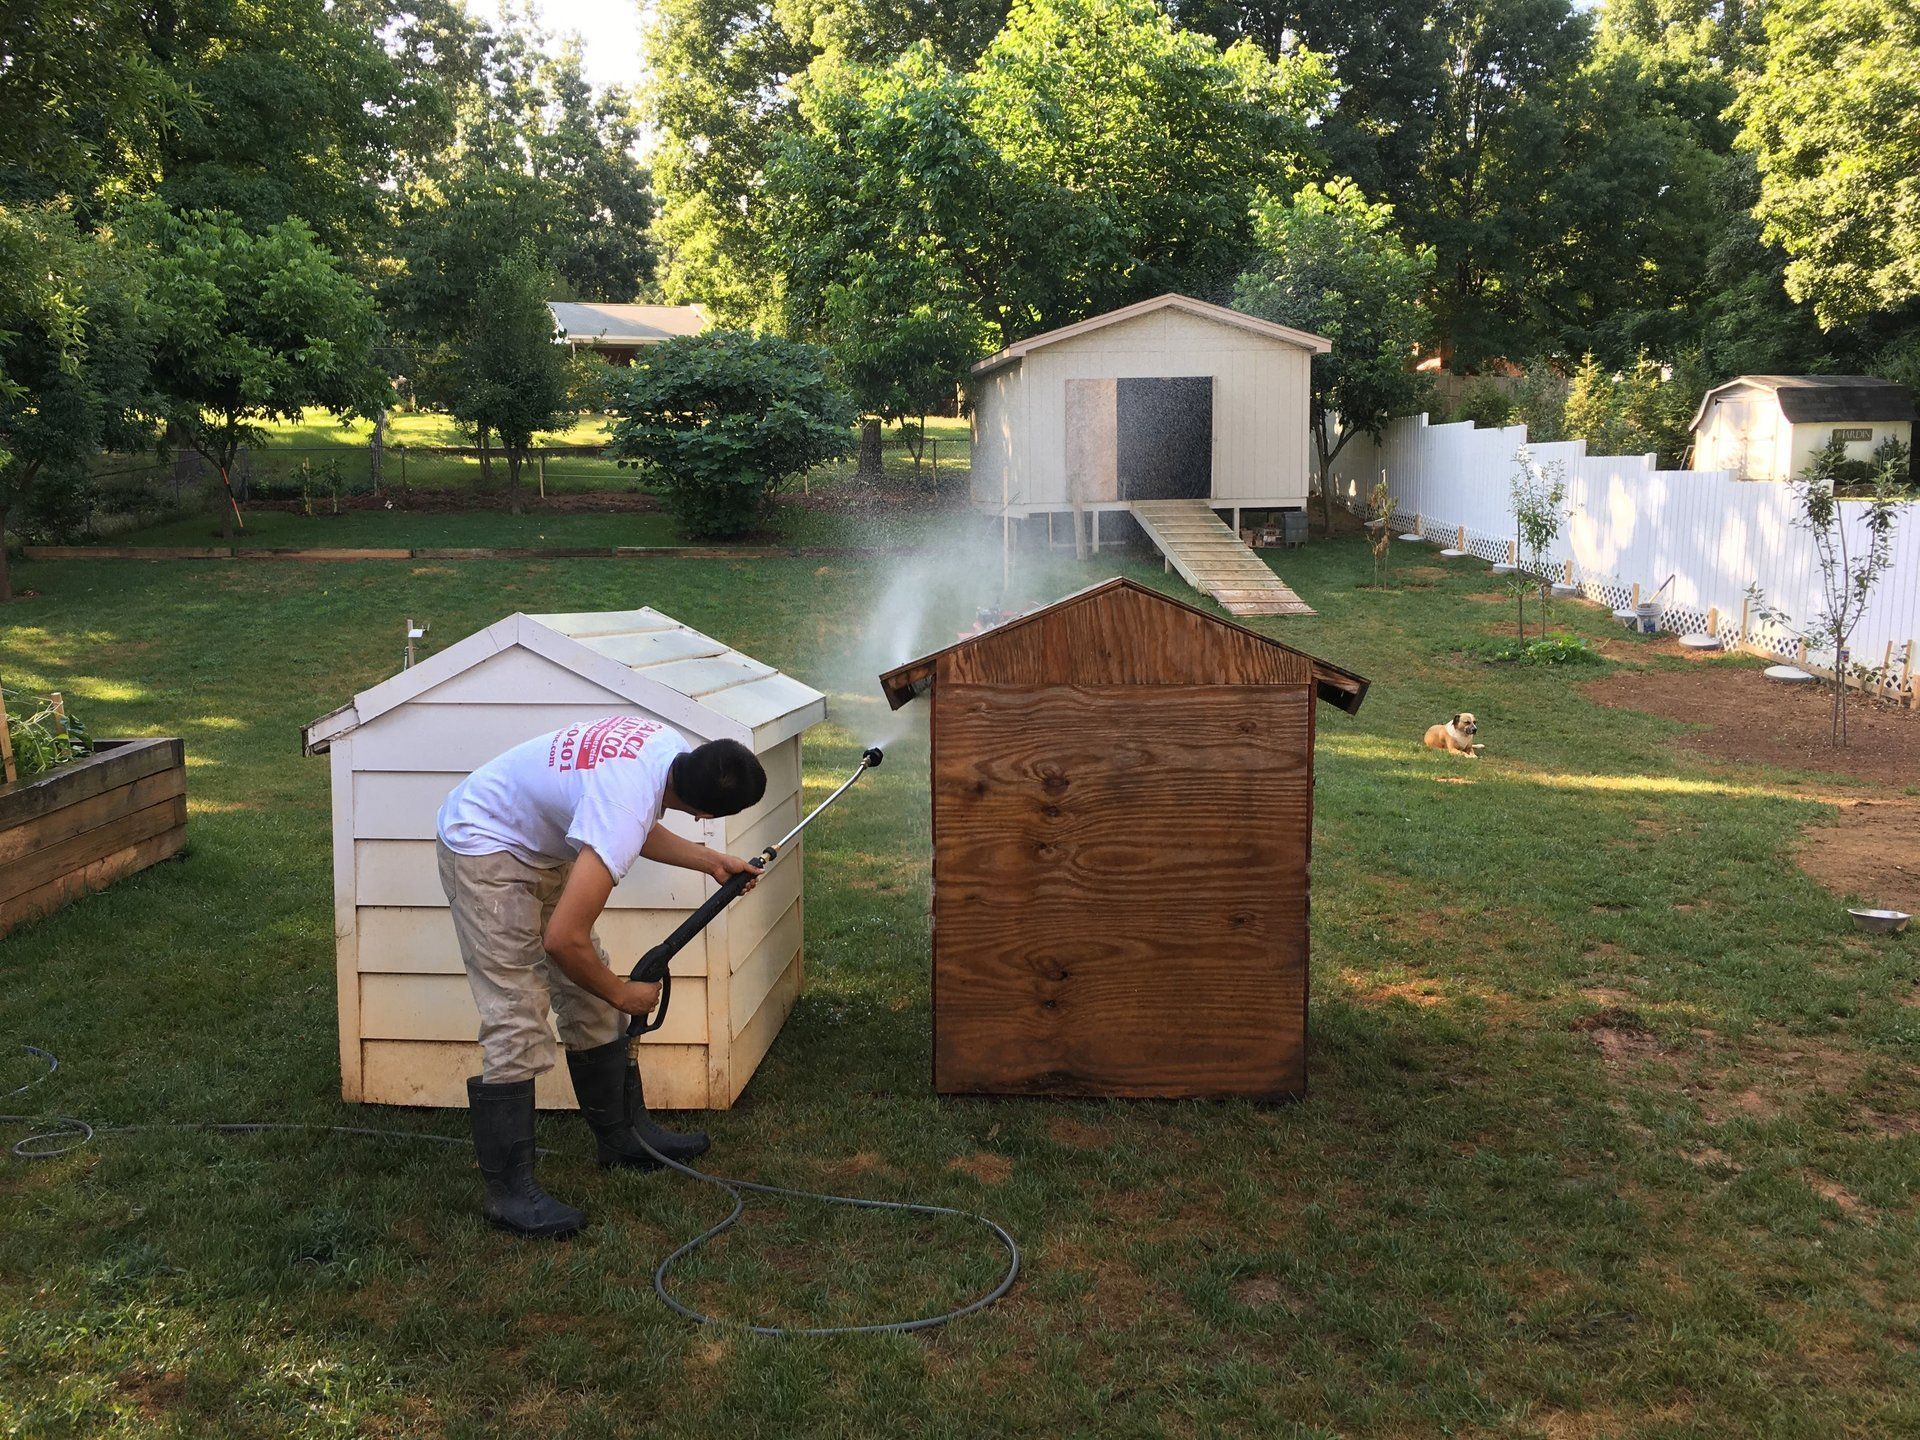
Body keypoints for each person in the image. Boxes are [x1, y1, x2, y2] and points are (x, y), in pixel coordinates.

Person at [435, 715, 767, 1238]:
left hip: (536, 846)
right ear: (704, 812)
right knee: (517, 1014)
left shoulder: (664, 746)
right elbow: (563, 939)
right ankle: (509, 1196)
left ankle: (621, 1140)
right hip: (482, 846)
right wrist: (624, 994)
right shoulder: (624, 803)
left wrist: (709, 861)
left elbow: (629, 820)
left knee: (589, 1002)